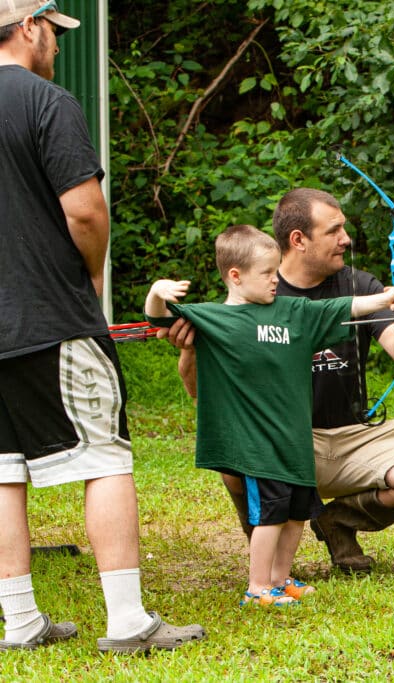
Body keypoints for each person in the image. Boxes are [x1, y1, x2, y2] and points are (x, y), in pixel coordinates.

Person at [0, 0, 204, 652]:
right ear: (29, 27)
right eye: (54, 34)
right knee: (105, 456)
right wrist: (89, 277)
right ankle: (126, 619)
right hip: (51, 319)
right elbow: (85, 213)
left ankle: (22, 620)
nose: (56, 48)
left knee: (2, 471)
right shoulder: (47, 103)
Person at [165, 188, 394, 573]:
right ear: (298, 239)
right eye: (334, 231)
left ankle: (337, 522)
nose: (346, 239)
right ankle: (267, 562)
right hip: (282, 440)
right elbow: (200, 392)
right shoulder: (250, 296)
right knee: (234, 460)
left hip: (352, 437)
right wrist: (190, 353)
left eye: (343, 229)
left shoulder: (359, 286)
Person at [145, 224, 394, 605]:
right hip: (258, 447)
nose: (275, 281)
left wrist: (387, 298)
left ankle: (280, 578)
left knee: (296, 515)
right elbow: (159, 318)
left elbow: (346, 306)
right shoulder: (215, 319)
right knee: (269, 516)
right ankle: (257, 587)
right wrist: (157, 292)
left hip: (295, 441)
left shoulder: (292, 311)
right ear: (235, 276)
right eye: (267, 274)